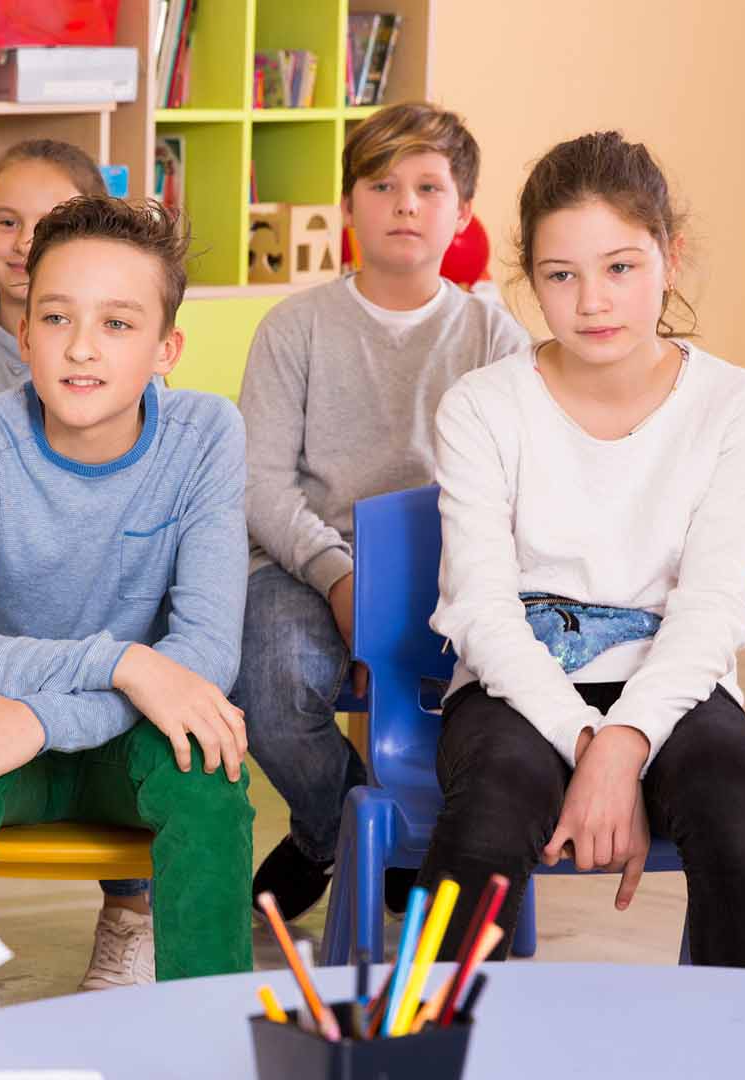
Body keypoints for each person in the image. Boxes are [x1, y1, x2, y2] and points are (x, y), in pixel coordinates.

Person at [0, 196, 253, 1037]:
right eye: (57, 317)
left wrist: (45, 718)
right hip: (13, 732)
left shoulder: (206, 435)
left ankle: (216, 1045)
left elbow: (203, 657)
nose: (81, 347)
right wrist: (126, 662)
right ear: (24, 335)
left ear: (166, 350)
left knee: (211, 762)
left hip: (120, 739)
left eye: (118, 324)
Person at [421, 130, 745, 968]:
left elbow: (708, 614)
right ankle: (425, 1054)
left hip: (673, 681)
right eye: (562, 275)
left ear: (671, 255)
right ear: (531, 279)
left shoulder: (739, 408)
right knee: (486, 818)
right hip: (512, 686)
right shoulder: (482, 406)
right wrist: (586, 743)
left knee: (744, 823)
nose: (593, 301)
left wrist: (625, 738)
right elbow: (481, 611)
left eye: (621, 267)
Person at [236, 103, 530, 919]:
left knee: (496, 691)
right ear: (349, 205)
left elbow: (514, 485)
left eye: (429, 187)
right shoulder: (294, 327)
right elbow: (260, 483)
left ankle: (391, 839)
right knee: (271, 684)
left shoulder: (492, 335)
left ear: (462, 212)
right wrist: (340, 577)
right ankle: (347, 831)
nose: (405, 203)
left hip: (450, 568)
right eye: (382, 184)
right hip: (306, 564)